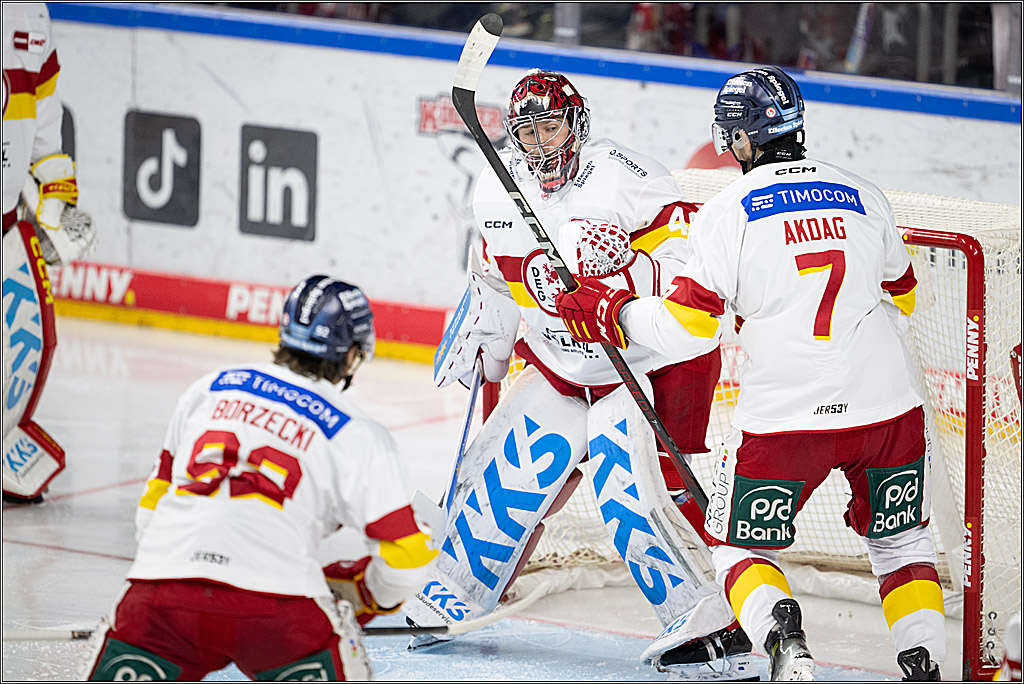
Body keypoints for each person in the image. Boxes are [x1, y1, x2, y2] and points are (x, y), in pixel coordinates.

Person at [555, 66, 946, 681]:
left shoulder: (728, 211)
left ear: (739, 138)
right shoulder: (865, 193)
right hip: (887, 412)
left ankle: (786, 644)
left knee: (738, 547)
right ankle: (924, 662)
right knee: (900, 544)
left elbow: (690, 329)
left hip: (785, 420)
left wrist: (616, 309)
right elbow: (904, 298)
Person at [406, 69, 756, 680]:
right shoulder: (497, 192)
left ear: (577, 125)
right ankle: (452, 591)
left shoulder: (630, 178)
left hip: (634, 372)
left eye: (552, 127)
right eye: (528, 132)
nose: (541, 143)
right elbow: (493, 275)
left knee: (629, 499)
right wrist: (488, 330)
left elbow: (688, 270)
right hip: (559, 368)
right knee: (501, 476)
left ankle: (714, 624)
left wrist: (625, 273)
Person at [82, 276, 438, 681]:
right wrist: (364, 593)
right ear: (353, 353)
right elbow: (408, 560)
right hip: (278, 610)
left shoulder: (208, 389)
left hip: (161, 596)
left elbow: (152, 512)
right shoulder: (357, 432)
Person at [3, 2, 96, 504]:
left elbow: (41, 103)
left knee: (28, 343)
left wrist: (54, 194)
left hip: (5, 220)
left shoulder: (30, 11)